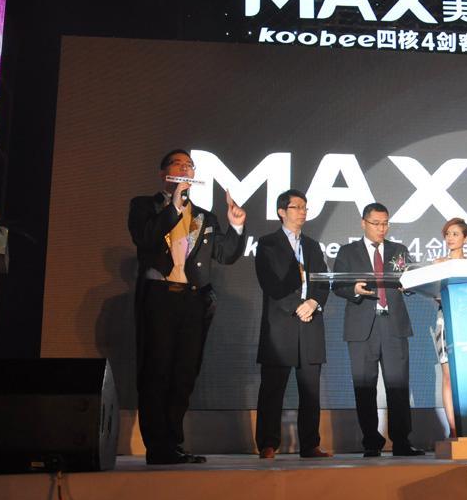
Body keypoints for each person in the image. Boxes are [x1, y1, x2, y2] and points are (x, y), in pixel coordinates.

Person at [128, 149, 248, 465]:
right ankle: (157, 446)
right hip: (159, 298)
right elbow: (146, 238)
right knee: (157, 371)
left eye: (190, 166)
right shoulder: (144, 206)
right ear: (163, 172)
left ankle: (173, 443)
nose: (185, 169)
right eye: (178, 164)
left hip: (193, 300)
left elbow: (225, 255)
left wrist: (236, 227)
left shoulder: (204, 216)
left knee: (184, 372)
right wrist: (174, 206)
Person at [333, 203, 423, 457]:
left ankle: (402, 441)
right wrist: (353, 290)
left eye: (385, 223)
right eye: (376, 223)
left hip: (393, 325)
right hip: (362, 327)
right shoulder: (348, 252)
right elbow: (337, 285)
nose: (381, 228)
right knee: (364, 386)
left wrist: (410, 285)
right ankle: (371, 441)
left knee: (398, 385)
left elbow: (411, 279)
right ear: (363, 223)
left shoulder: (398, 250)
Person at [254, 189, 330, 459]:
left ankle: (310, 444)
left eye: (305, 207)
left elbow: (323, 281)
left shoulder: (312, 245)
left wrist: (313, 303)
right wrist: (297, 306)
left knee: (310, 390)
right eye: (296, 207)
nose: (302, 212)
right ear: (281, 211)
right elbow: (269, 283)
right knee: (273, 389)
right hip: (281, 325)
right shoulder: (267, 243)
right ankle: (268, 443)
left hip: (310, 322)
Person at [430, 217, 467, 439]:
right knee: (447, 376)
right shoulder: (438, 264)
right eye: (447, 234)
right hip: (445, 319)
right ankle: (453, 429)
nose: (450, 238)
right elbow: (432, 294)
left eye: (455, 234)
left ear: (466, 238)